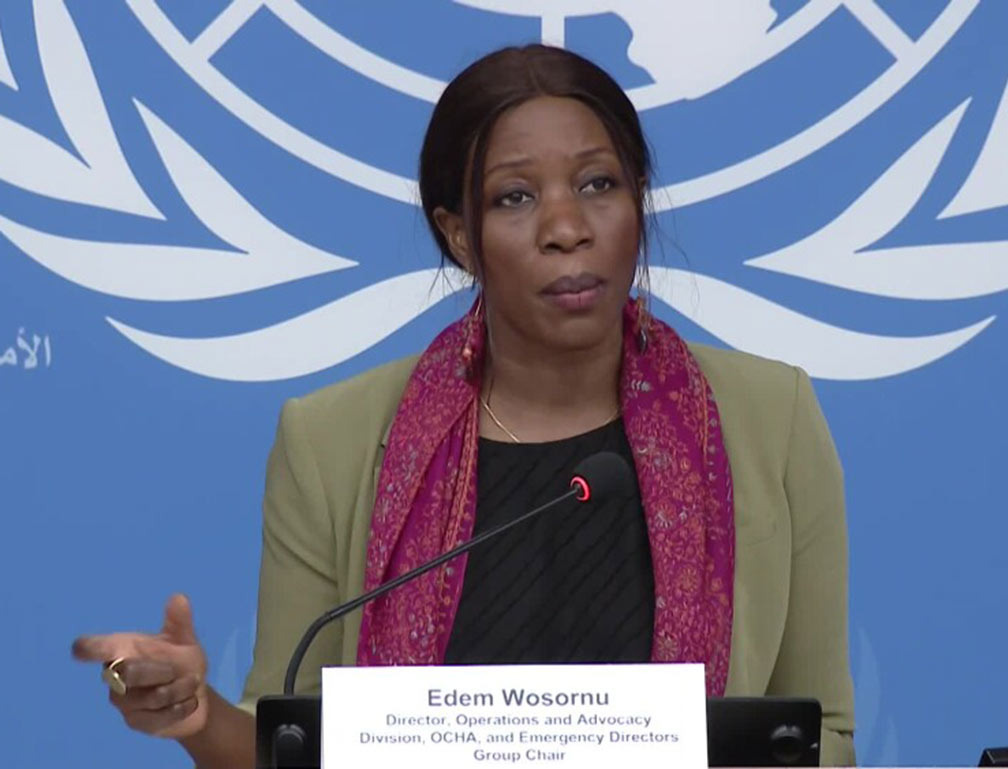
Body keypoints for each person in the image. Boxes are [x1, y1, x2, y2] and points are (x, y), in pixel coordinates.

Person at [72, 44, 856, 767]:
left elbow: (827, 736)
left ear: (638, 200)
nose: (566, 228)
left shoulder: (771, 420)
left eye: (598, 184)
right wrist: (196, 714)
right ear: (459, 236)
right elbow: (289, 746)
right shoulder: (331, 442)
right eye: (515, 197)